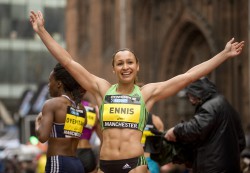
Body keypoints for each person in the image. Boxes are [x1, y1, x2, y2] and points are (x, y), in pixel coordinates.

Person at [30, 10, 244, 173]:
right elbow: (68, 61)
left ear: (137, 66)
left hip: (134, 165)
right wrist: (41, 31)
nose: (125, 67)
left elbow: (188, 76)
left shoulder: (146, 93)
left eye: (130, 62)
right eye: (120, 63)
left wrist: (223, 55)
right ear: (114, 68)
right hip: (105, 164)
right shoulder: (102, 89)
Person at [165, 77, 246, 173]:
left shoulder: (210, 106)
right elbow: (241, 142)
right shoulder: (227, 106)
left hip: (212, 168)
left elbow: (196, 128)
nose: (190, 100)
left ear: (198, 92)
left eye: (191, 95)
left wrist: (175, 130)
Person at [35, 63, 87, 173]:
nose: (49, 85)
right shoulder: (81, 108)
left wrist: (38, 122)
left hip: (58, 162)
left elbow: (42, 137)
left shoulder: (52, 104)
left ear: (59, 84)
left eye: (50, 81)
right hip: (77, 164)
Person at [77, 99, 102, 173]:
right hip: (87, 152)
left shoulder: (66, 105)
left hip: (70, 152)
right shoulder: (93, 109)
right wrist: (99, 164)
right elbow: (103, 140)